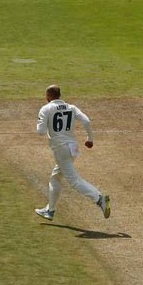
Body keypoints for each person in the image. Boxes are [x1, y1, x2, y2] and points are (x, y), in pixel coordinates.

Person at [34, 85, 110, 221]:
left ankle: (99, 199)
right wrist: (90, 139)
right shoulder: (71, 107)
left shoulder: (46, 109)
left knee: (74, 181)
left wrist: (46, 125)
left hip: (60, 149)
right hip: (73, 148)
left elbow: (40, 132)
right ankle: (50, 210)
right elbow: (86, 121)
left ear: (49, 96)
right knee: (56, 177)